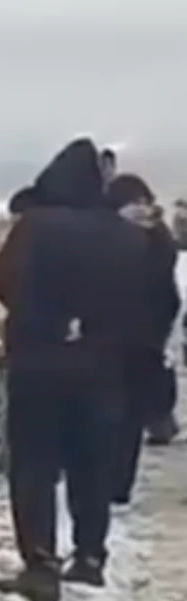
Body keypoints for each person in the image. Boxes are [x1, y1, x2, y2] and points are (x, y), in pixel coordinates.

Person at [0, 138, 154, 601]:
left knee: (35, 463)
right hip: (101, 367)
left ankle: (41, 563)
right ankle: (90, 556)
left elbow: (4, 280)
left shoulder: (35, 227)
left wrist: (45, 322)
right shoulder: (127, 236)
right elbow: (140, 299)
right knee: (91, 461)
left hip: (38, 362)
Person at [105, 173, 180, 493]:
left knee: (122, 415)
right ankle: (117, 483)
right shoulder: (158, 235)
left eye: (140, 201)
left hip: (131, 337)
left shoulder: (128, 238)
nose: (138, 208)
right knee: (127, 414)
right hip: (140, 337)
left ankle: (116, 484)